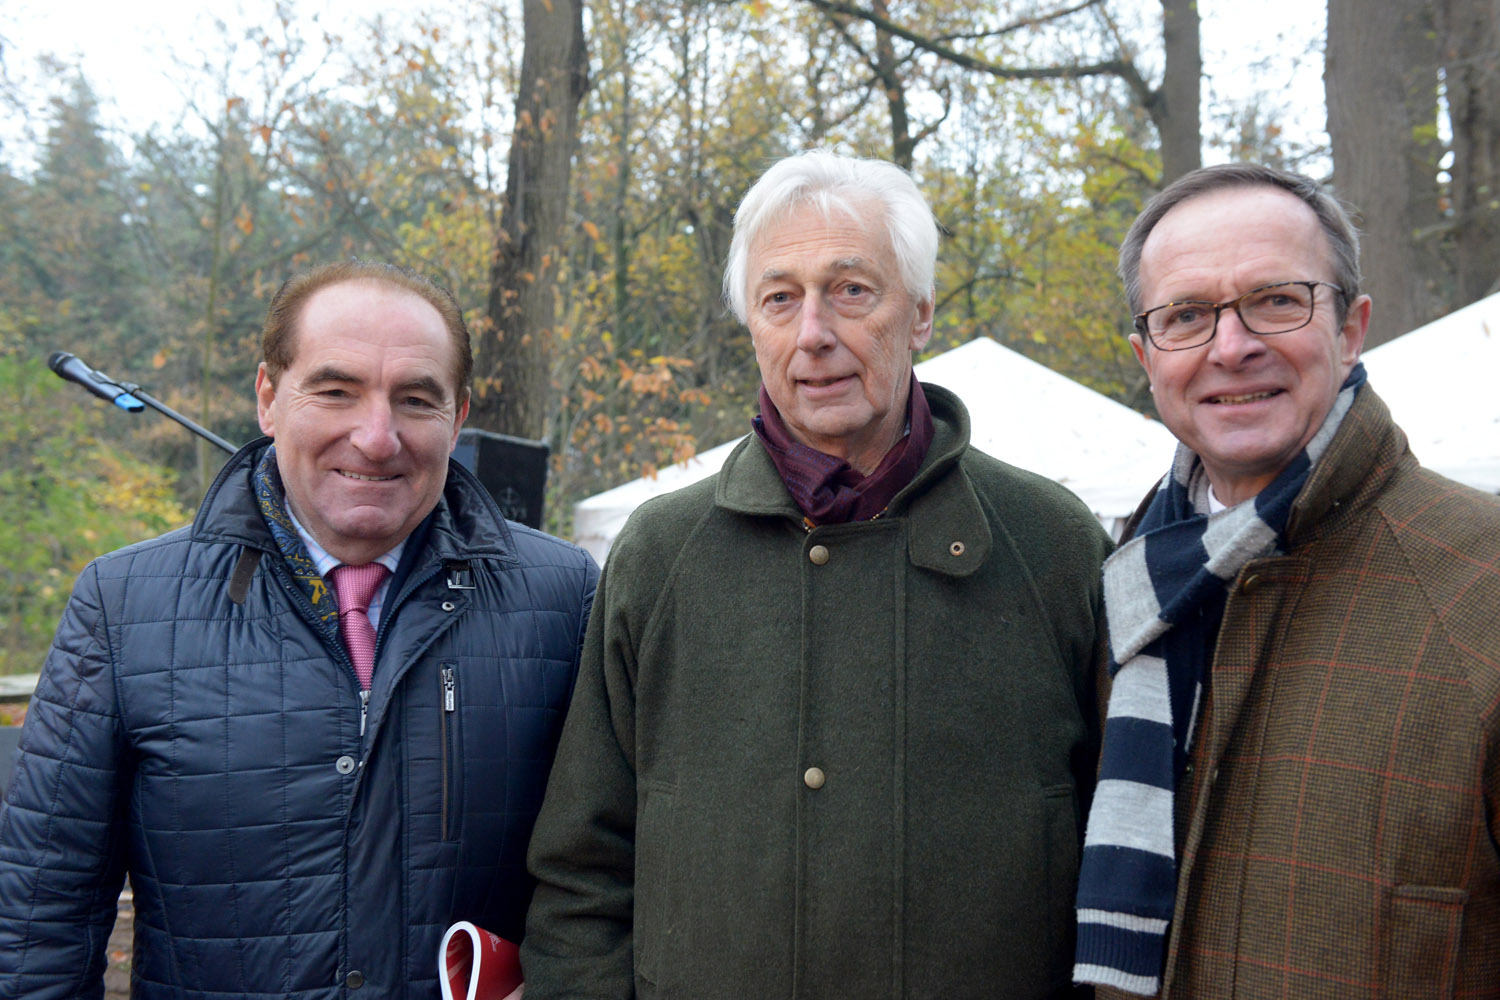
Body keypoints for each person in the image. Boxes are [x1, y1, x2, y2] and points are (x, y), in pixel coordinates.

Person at [520, 150, 1113, 999]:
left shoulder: (1052, 544)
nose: (813, 334)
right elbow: (582, 875)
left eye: (852, 290)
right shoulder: (659, 555)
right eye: (779, 298)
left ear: (920, 315)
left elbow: (1125, 861)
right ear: (752, 329)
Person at [0, 260, 599, 999]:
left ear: (458, 416)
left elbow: (608, 876)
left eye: (415, 400)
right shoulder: (124, 606)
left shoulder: (563, 598)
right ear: (268, 398)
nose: (376, 438)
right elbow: (40, 917)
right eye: (336, 391)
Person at [1073, 163, 1500, 998]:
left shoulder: (1480, 584)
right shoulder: (1124, 586)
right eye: (1186, 315)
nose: (1231, 347)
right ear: (1147, 358)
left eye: (1276, 300)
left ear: (1351, 329)